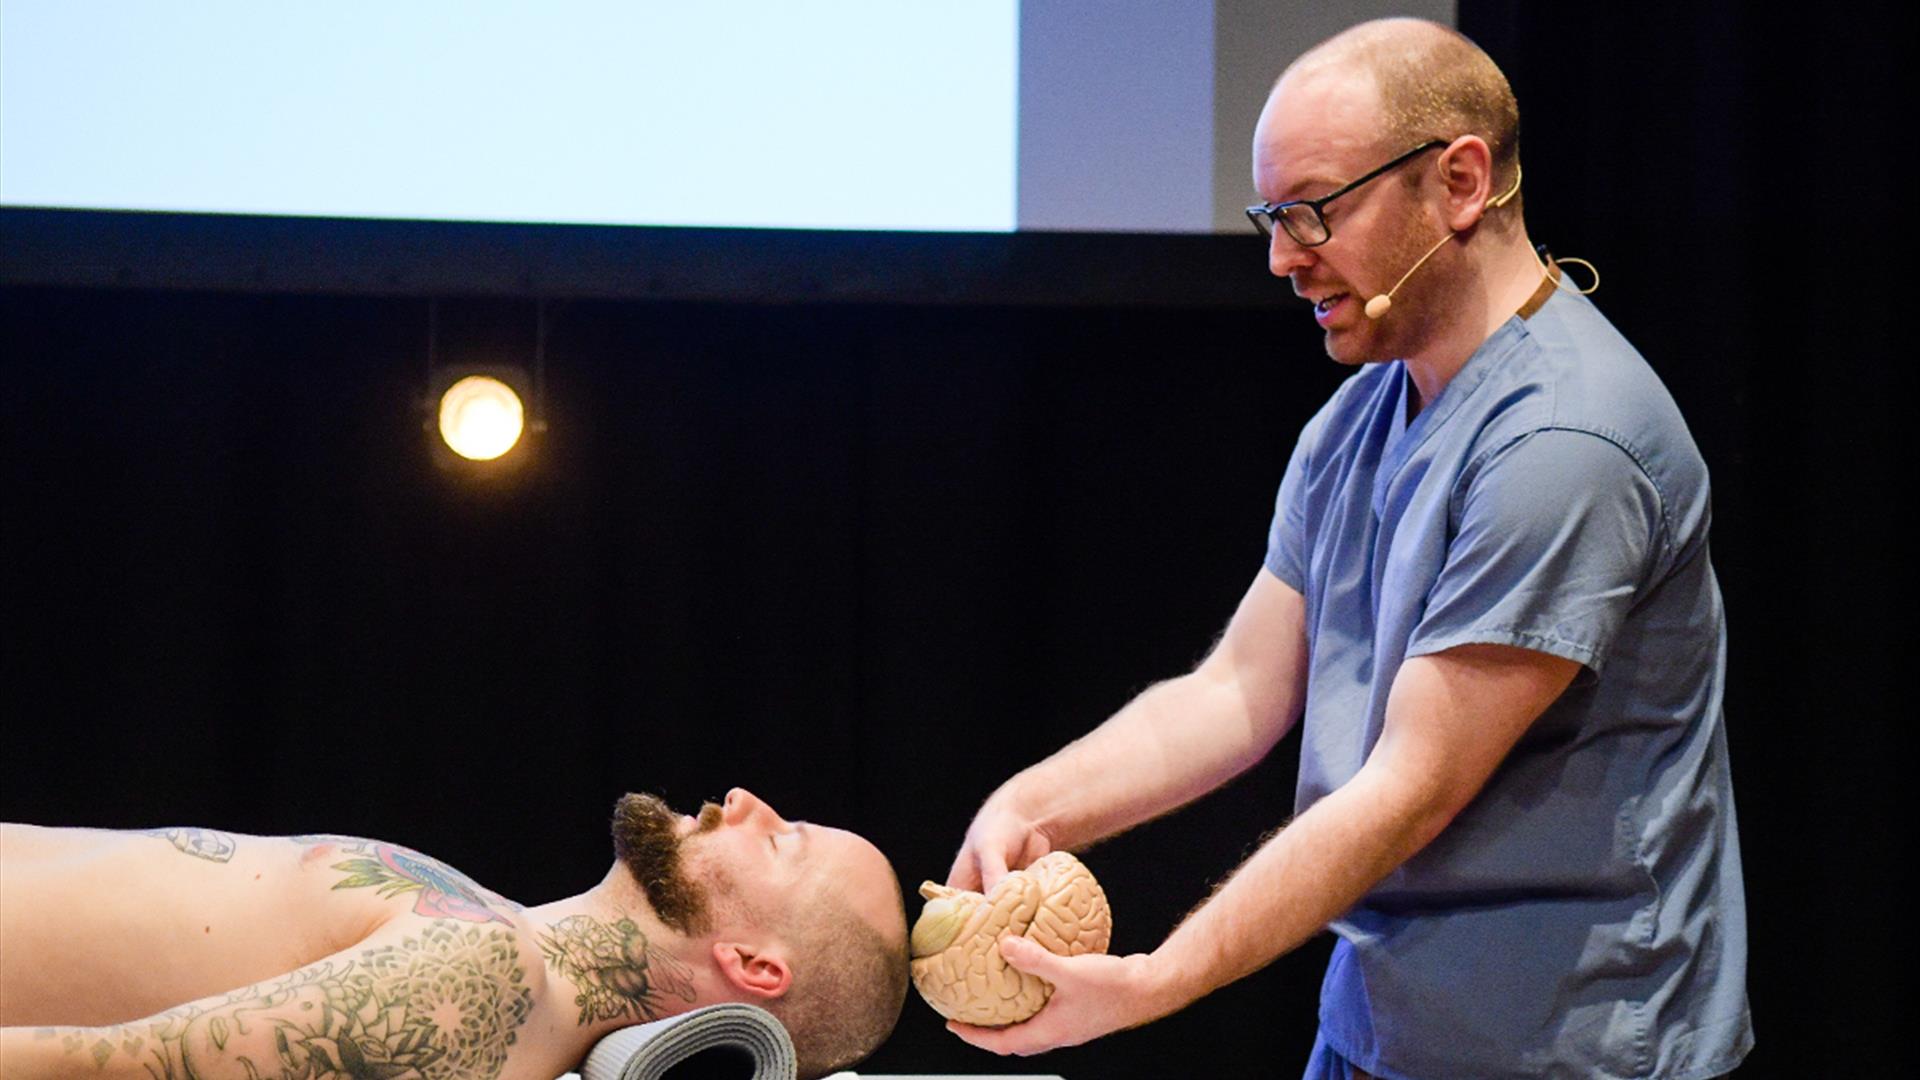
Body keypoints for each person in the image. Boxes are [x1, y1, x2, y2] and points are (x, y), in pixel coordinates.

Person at [944, 18, 1750, 1080]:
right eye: (1271, 217)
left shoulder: (1566, 441)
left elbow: (1410, 787)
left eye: (1315, 210)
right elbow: (1238, 689)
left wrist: (1159, 981)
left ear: (1461, 182)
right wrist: (1029, 802)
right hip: (1386, 1036)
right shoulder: (1366, 412)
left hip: (1567, 1050)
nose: (1282, 257)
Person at [0, 787, 908, 1080]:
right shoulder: (496, 936)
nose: (745, 802)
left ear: (755, 966)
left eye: (782, 843)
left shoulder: (489, 983)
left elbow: (105, 1069)